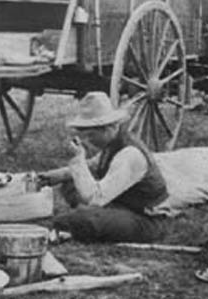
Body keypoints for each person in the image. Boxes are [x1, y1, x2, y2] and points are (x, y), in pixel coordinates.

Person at [39, 92, 169, 243]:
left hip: (145, 219)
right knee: (69, 183)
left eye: (91, 136)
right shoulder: (112, 143)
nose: (88, 141)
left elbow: (96, 198)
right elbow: (92, 165)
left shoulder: (129, 154)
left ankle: (87, 220)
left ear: (109, 128)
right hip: (121, 204)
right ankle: (95, 217)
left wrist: (78, 158)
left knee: (76, 220)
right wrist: (48, 177)